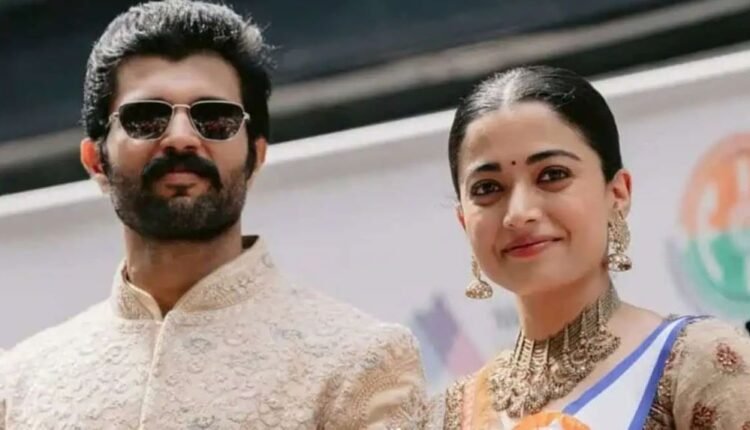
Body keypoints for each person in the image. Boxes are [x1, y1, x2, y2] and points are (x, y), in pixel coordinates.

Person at [0, 1, 427, 428]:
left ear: (256, 156)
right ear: (95, 161)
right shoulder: (21, 384)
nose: (181, 138)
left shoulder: (358, 362)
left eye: (215, 118)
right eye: (145, 118)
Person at [428, 66, 750, 429]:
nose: (518, 214)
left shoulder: (699, 363)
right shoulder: (448, 416)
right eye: (487, 188)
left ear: (618, 193)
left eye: (552, 175)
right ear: (463, 219)